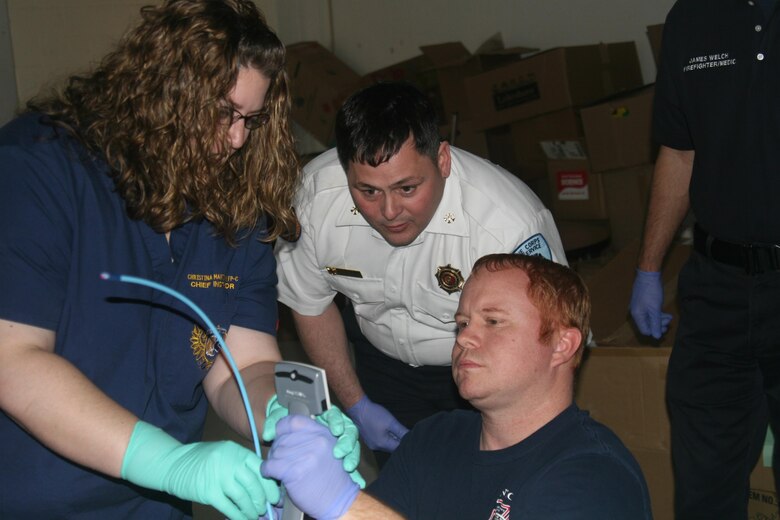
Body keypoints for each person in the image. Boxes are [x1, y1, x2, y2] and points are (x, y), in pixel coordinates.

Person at [0, 1, 359, 518]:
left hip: (154, 506)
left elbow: (244, 363)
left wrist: (281, 415)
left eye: (250, 120)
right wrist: (168, 462)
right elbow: (14, 361)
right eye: (222, 113)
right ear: (157, 94)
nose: (236, 140)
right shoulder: (37, 172)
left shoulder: (235, 206)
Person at [274, 81, 567, 464]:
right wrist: (356, 404)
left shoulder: (508, 225)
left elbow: (550, 343)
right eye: (368, 191)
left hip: (487, 369)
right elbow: (309, 304)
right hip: (380, 366)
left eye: (407, 188)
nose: (389, 211)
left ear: (442, 159)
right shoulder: (314, 199)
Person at [263, 253, 654, 519]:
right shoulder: (434, 438)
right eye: (463, 323)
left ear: (562, 345)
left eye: (493, 321)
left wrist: (344, 504)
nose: (464, 338)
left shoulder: (595, 477)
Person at [628, 0, 780, 517]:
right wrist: (649, 267)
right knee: (704, 490)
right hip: (718, 291)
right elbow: (680, 150)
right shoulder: (691, 18)